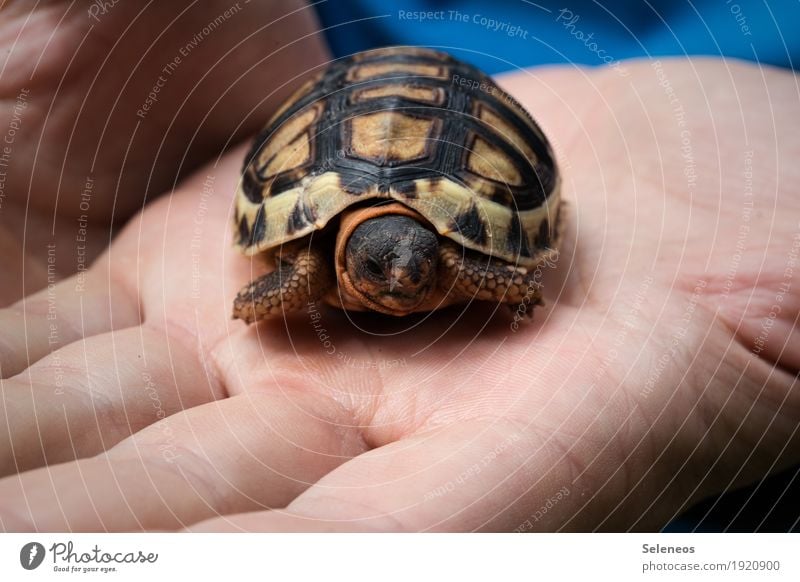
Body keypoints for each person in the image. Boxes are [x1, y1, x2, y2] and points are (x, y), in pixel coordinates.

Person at [0, 1, 797, 532]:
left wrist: (507, 284)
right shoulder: (313, 263)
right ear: (348, 262)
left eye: (424, 270)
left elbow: (492, 271)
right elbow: (296, 271)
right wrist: (277, 291)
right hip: (322, 61)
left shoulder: (448, 261)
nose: (411, 284)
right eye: (391, 276)